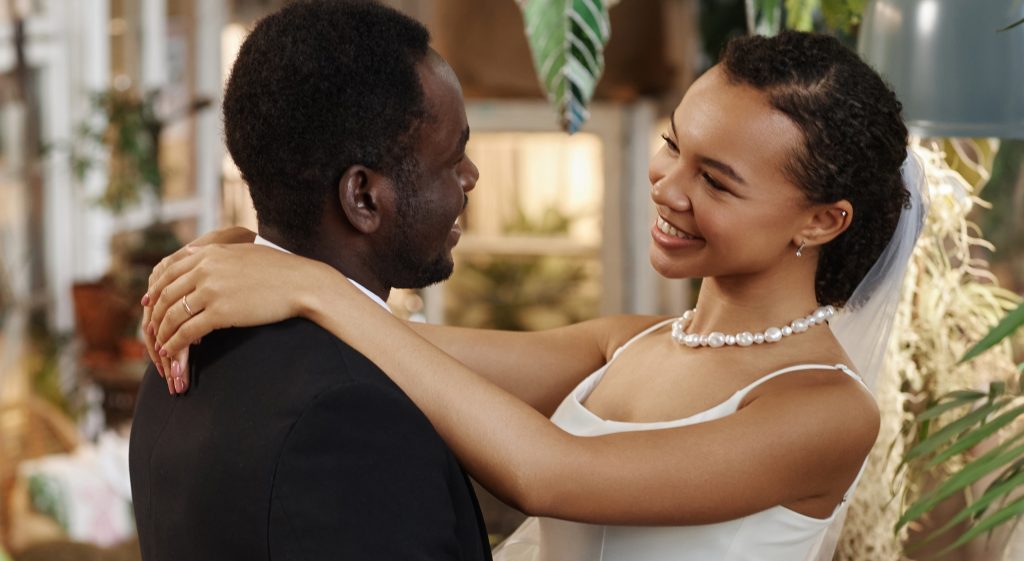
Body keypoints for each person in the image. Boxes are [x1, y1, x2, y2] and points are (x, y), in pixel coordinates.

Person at [143, 31, 926, 561]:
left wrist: (310, 285)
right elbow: (397, 347)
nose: (668, 186)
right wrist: (252, 253)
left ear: (822, 220)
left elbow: (548, 472)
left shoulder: (824, 408)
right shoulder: (629, 343)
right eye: (674, 145)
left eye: (716, 180)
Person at [128, 2, 492, 560]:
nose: (470, 177)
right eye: (453, 157)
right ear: (364, 197)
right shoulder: (354, 418)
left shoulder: (186, 350)